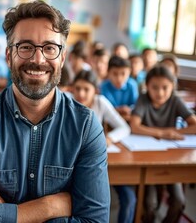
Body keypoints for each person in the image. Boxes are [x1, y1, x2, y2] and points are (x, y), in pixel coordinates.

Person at [0, 0, 110, 222]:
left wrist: (4, 211)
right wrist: (49, 207)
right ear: (8, 56)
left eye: (50, 48)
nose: (38, 59)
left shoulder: (85, 126)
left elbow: (95, 220)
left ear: (62, 59)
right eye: (25, 47)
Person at [130, 66, 196, 223]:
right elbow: (135, 126)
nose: (160, 93)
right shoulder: (143, 99)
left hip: (172, 159)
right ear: (147, 86)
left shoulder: (175, 100)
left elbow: (194, 125)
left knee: (179, 202)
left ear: (172, 86)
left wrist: (171, 131)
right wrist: (163, 133)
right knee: (150, 204)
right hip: (148, 158)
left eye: (165, 87)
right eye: (154, 87)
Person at [72, 70, 135, 223]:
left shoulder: (100, 102)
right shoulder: (67, 102)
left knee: (130, 198)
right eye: (77, 88)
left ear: (95, 90)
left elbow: (124, 127)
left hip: (101, 163)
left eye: (86, 89)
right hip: (74, 166)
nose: (81, 93)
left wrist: (109, 138)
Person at [100, 55, 139, 121]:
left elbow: (136, 106)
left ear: (129, 72)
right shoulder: (104, 86)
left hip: (129, 119)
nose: (119, 78)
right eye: (115, 74)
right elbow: (104, 108)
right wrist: (119, 110)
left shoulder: (132, 85)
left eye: (123, 74)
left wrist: (129, 109)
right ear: (108, 72)